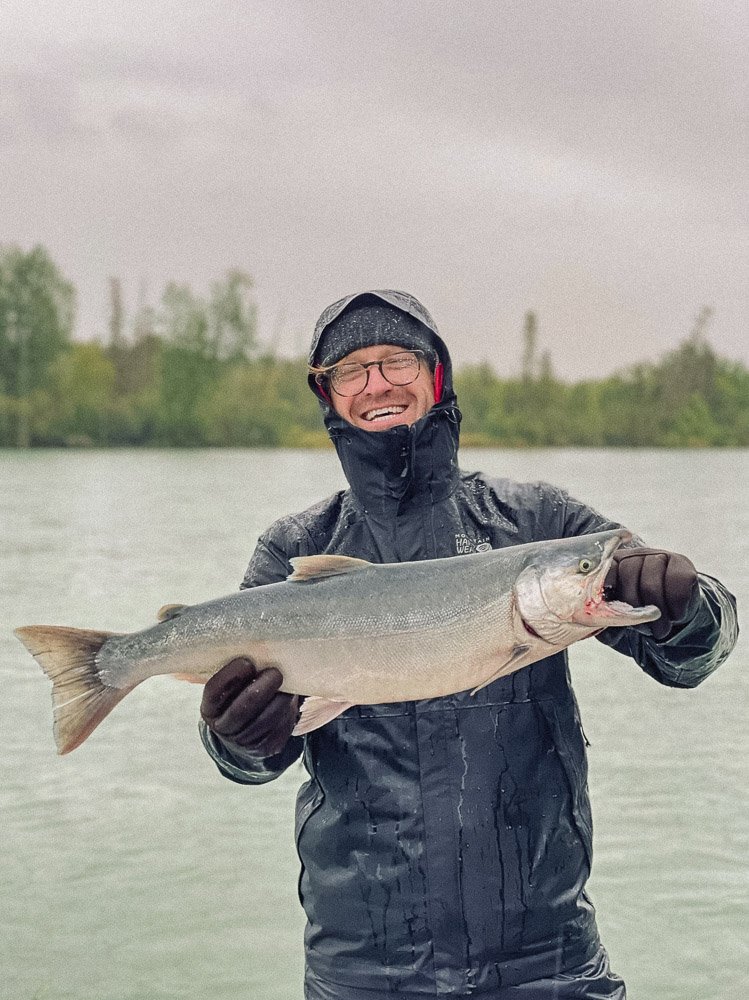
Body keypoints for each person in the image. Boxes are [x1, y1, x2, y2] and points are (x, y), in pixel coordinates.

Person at [199, 290, 738, 999]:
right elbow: (252, 765)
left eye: (396, 360)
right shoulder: (295, 547)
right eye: (349, 371)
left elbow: (693, 658)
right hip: (363, 966)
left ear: (436, 376)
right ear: (326, 395)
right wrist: (240, 739)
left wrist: (683, 608)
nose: (376, 383)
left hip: (548, 958)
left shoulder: (541, 522)